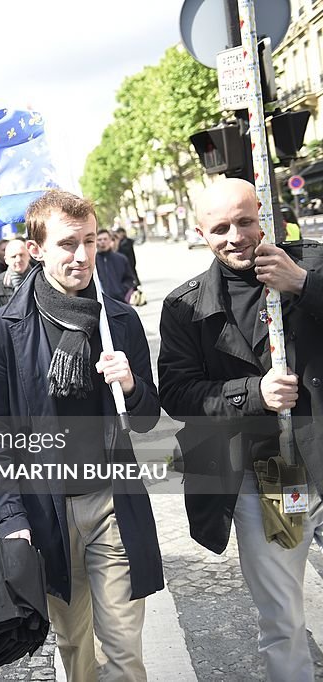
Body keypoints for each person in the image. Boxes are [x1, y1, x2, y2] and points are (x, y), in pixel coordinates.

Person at [0, 190, 163, 681]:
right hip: (47, 511)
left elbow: (146, 420)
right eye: (66, 244)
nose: (80, 255)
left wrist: (131, 385)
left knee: (123, 649)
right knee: (74, 648)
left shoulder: (119, 321)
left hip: (111, 503)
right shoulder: (4, 328)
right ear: (36, 249)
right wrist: (11, 517)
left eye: (89, 241)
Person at [158, 177, 323, 682]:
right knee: (283, 617)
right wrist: (255, 393)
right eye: (220, 227)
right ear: (201, 233)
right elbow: (178, 393)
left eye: (245, 221)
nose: (236, 236)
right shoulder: (186, 307)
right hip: (277, 474)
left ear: (265, 217)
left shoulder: (313, 264)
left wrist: (302, 285)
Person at [0, 238, 32, 307]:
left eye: (21, 255)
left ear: (29, 256)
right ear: (6, 260)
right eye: (13, 257)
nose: (18, 259)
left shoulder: (40, 277)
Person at [95, 228, 136, 302]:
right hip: (100, 302)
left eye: (105, 239)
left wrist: (121, 290)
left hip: (120, 300)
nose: (102, 242)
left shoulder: (121, 259)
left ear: (110, 240)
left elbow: (129, 278)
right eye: (99, 239)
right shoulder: (92, 261)